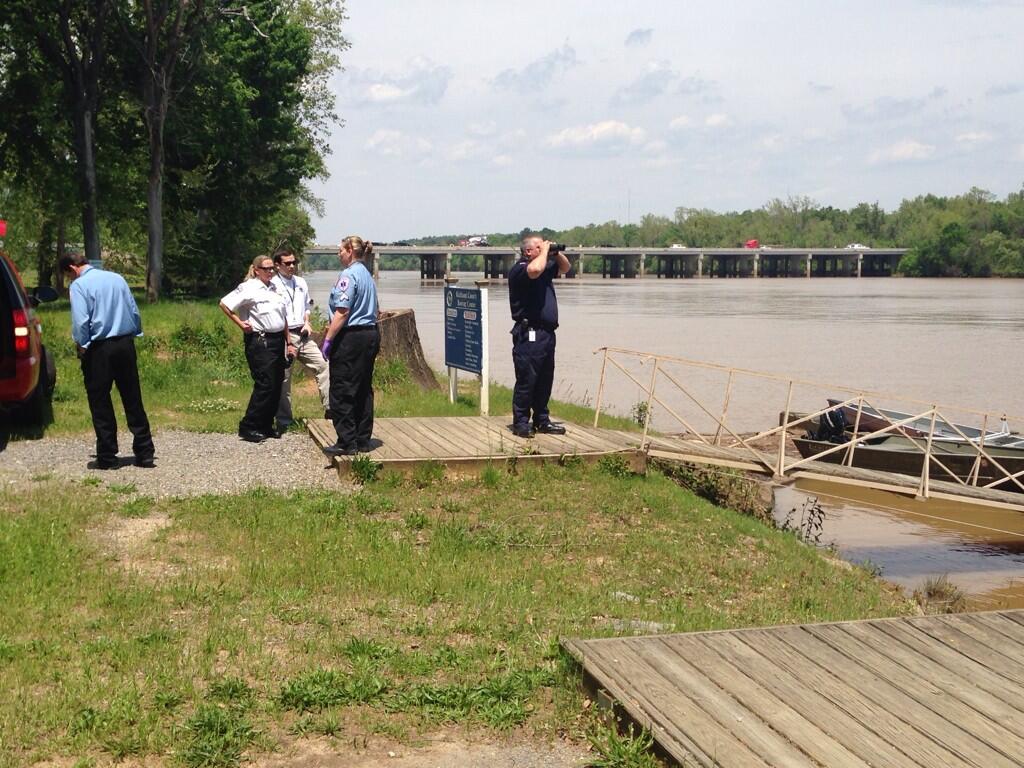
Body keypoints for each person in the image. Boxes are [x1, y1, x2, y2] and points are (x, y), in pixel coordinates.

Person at [59, 252, 156, 469]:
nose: (69, 280)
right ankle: (145, 451)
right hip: (124, 343)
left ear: (72, 269)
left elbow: (81, 321)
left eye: (68, 276)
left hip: (99, 348)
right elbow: (133, 310)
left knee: (100, 400)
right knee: (132, 397)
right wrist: (135, 333)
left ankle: (107, 454)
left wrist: (82, 346)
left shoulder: (79, 286)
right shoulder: (116, 278)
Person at [219, 255, 296, 443]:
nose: (271, 272)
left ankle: (265, 424)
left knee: (277, 384)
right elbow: (225, 304)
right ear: (256, 270)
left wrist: (289, 342)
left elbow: (282, 318)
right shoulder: (249, 287)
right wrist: (240, 323)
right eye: (266, 269)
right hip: (260, 342)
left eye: (272, 269)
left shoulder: (275, 287)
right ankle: (249, 426)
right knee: (265, 384)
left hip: (278, 340)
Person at [320, 236, 380, 456]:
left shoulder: (348, 275)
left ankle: (346, 441)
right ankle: (363, 439)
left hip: (351, 337)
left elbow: (342, 311)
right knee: (363, 388)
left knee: (342, 389)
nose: (338, 255)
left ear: (349, 251)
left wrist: (328, 340)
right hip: (370, 334)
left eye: (340, 251)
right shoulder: (366, 274)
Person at [507, 235, 570, 438]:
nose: (543, 248)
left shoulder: (544, 267)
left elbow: (565, 268)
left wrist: (555, 252)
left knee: (545, 379)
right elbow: (534, 271)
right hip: (529, 333)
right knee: (527, 379)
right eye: (538, 246)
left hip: (547, 334)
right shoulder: (520, 269)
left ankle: (542, 420)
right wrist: (544, 253)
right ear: (528, 251)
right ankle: (521, 422)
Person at [271, 248, 330, 431]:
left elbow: (306, 306)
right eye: (287, 263)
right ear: (277, 265)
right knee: (284, 379)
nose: (291, 266)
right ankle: (284, 421)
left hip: (303, 335)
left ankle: (330, 410)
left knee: (323, 365)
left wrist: (307, 322)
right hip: (283, 336)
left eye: (294, 262)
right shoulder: (272, 284)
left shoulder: (301, 282)